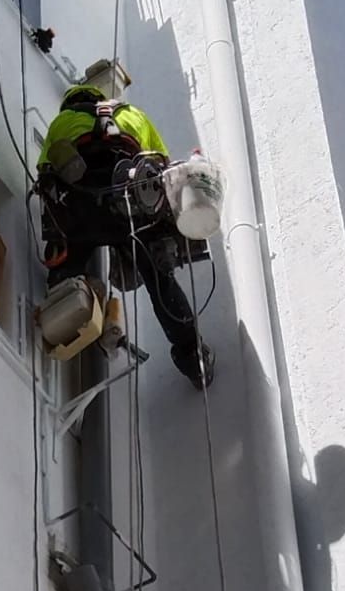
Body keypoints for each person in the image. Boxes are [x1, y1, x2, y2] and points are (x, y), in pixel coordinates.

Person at [37, 59, 214, 388]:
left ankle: (70, 314)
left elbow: (45, 175)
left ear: (73, 102)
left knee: (64, 265)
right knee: (160, 283)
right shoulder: (134, 115)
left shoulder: (62, 123)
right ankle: (193, 358)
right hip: (131, 208)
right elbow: (160, 165)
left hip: (82, 211)